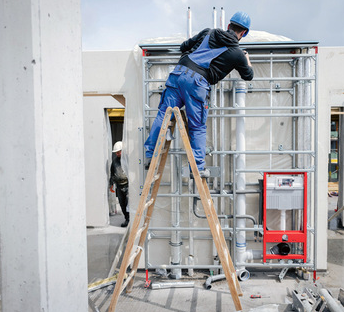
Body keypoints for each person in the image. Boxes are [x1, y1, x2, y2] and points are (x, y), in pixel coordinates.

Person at [144, 11, 254, 177]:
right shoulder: (237, 53)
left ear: (228, 26)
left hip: (178, 73)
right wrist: (247, 59)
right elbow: (248, 75)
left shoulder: (208, 32)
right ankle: (197, 168)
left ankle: (150, 155)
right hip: (197, 83)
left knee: (164, 115)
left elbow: (183, 47)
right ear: (243, 33)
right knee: (197, 126)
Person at [109, 141, 129, 227]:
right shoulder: (114, 162)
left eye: (119, 152)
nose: (117, 153)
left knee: (129, 203)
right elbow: (112, 174)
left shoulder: (128, 160)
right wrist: (111, 184)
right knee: (122, 204)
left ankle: (130, 220)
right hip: (119, 186)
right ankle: (127, 219)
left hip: (128, 186)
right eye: (116, 152)